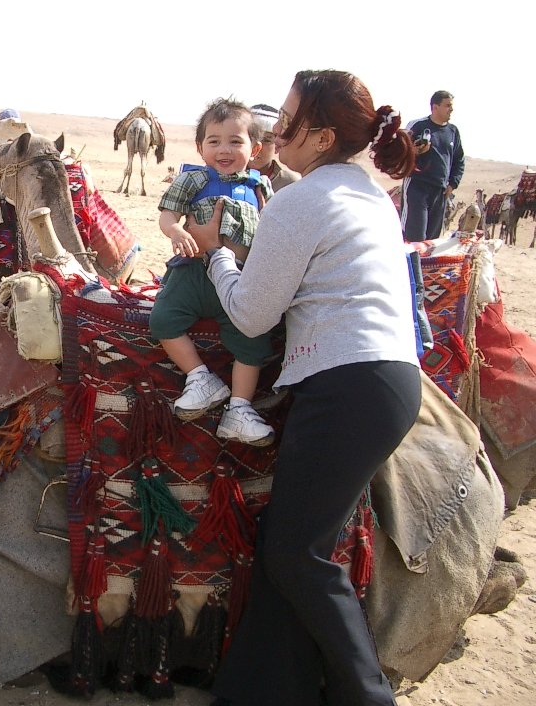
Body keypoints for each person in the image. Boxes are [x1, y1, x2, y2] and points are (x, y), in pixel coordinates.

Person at [185, 70, 423, 706]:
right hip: (385, 381)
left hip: (348, 386)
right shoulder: (367, 194)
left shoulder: (302, 201)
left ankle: (367, 696)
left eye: (285, 121)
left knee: (299, 555)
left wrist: (215, 253)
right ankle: (260, 690)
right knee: (286, 546)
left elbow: (253, 315)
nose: (271, 130)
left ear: (319, 137)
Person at [149, 98, 276, 446]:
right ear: (200, 147)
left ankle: (239, 409)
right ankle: (200, 376)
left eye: (235, 141)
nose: (224, 149)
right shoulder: (193, 178)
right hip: (193, 271)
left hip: (239, 278)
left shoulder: (258, 187)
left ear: (256, 148)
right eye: (214, 141)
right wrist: (176, 232)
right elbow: (168, 215)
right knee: (163, 319)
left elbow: (270, 226)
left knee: (252, 340)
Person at [402, 90, 465, 241]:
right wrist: (416, 151)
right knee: (415, 238)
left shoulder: (453, 131)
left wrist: (452, 184)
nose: (451, 109)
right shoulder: (417, 126)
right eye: (447, 105)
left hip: (440, 192)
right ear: (435, 107)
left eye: (451, 106)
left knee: (432, 241)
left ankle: (424, 266)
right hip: (417, 187)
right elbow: (400, 152)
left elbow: (459, 160)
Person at [248, 104, 301, 191]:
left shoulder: (290, 185)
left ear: (277, 146)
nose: (257, 146)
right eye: (251, 138)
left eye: (266, 140)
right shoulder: (224, 176)